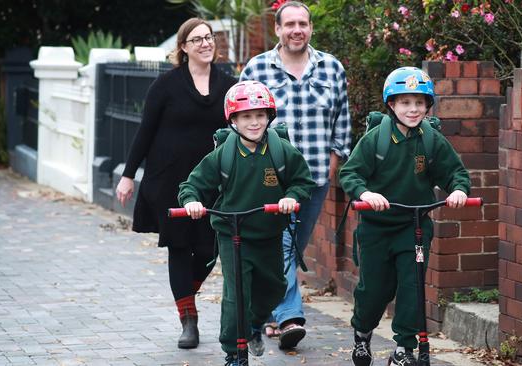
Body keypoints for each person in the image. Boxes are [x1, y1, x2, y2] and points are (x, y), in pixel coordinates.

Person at [115, 17, 237, 349]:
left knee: (211, 249)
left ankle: (185, 296)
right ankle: (188, 319)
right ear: (183, 47)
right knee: (180, 247)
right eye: (196, 40)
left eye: (209, 38)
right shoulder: (165, 86)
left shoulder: (228, 85)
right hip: (169, 179)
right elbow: (145, 132)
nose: (205, 44)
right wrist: (128, 176)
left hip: (214, 183)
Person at [338, 66, 471, 366]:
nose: (413, 109)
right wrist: (365, 194)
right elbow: (350, 173)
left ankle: (404, 349)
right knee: (374, 290)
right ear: (392, 105)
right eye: (405, 102)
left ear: (428, 106)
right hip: (376, 227)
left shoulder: (431, 139)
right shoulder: (376, 140)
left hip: (414, 226)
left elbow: (454, 172)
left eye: (419, 102)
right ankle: (362, 331)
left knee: (413, 286)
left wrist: (458, 190)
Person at [239, 1, 351, 349]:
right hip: (270, 181)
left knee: (293, 249)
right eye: (289, 24)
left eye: (302, 23)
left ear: (311, 28)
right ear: (278, 29)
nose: (296, 29)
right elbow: (240, 122)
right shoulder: (257, 68)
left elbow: (342, 120)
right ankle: (290, 318)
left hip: (314, 178)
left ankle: (269, 312)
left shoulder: (331, 68)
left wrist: (335, 159)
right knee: (282, 248)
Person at [178, 80, 316, 366]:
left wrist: (291, 196)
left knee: (274, 288)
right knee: (236, 294)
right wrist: (191, 201)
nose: (254, 122)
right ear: (234, 120)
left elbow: (303, 180)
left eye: (259, 116)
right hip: (233, 234)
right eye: (246, 116)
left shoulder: (281, 152)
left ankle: (252, 326)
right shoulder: (224, 155)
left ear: (269, 117)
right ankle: (234, 351)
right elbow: (191, 184)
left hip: (269, 233)